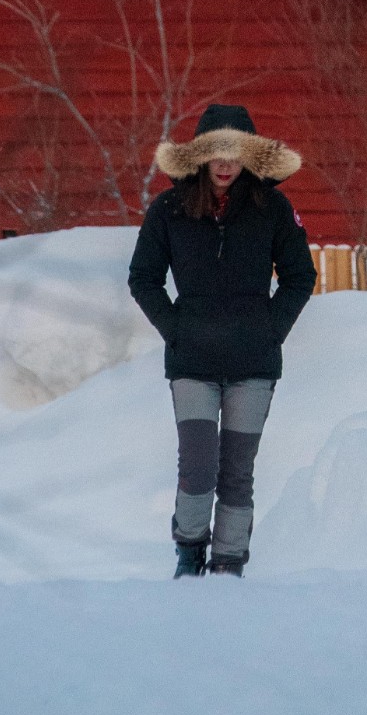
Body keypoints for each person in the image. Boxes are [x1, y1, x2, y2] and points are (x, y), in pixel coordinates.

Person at [128, 102, 316, 578]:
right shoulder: (168, 211)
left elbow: (300, 276)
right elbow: (143, 278)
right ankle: (189, 555)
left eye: (236, 154)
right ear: (200, 157)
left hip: (253, 364)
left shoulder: (272, 209)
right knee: (198, 466)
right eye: (217, 153)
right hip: (192, 362)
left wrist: (271, 328)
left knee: (237, 472)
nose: (227, 164)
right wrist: (176, 328)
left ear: (251, 156)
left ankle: (229, 565)